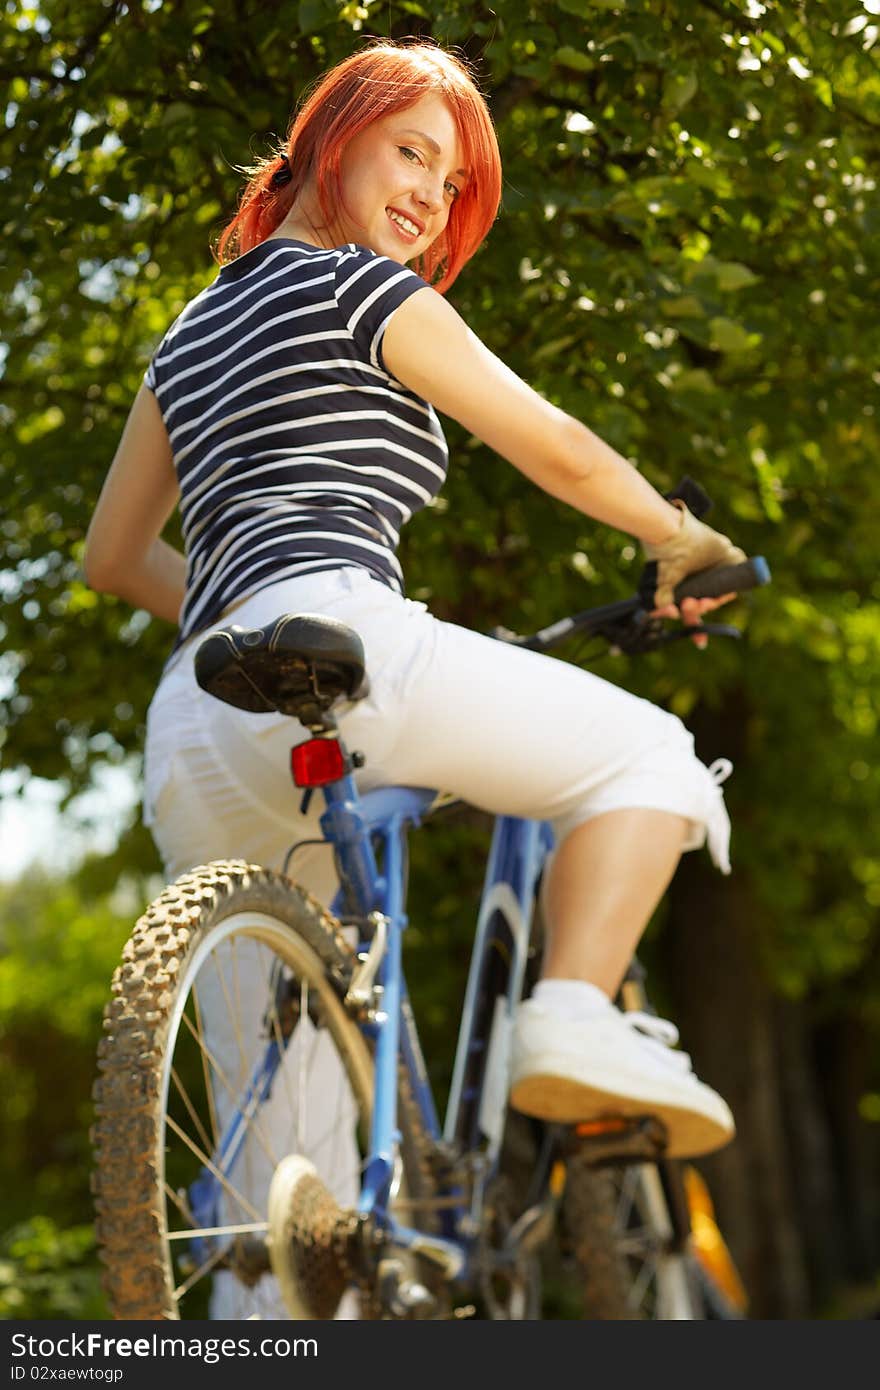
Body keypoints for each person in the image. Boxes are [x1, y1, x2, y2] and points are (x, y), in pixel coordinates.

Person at [85, 39, 745, 1315]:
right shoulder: (359, 294)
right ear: (334, 142)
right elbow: (552, 446)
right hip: (351, 637)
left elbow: (113, 557)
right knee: (646, 756)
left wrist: (241, 617)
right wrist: (681, 542)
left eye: (450, 185)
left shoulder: (186, 336)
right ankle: (568, 1013)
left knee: (287, 1192)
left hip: (204, 710)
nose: (430, 199)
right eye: (412, 153)